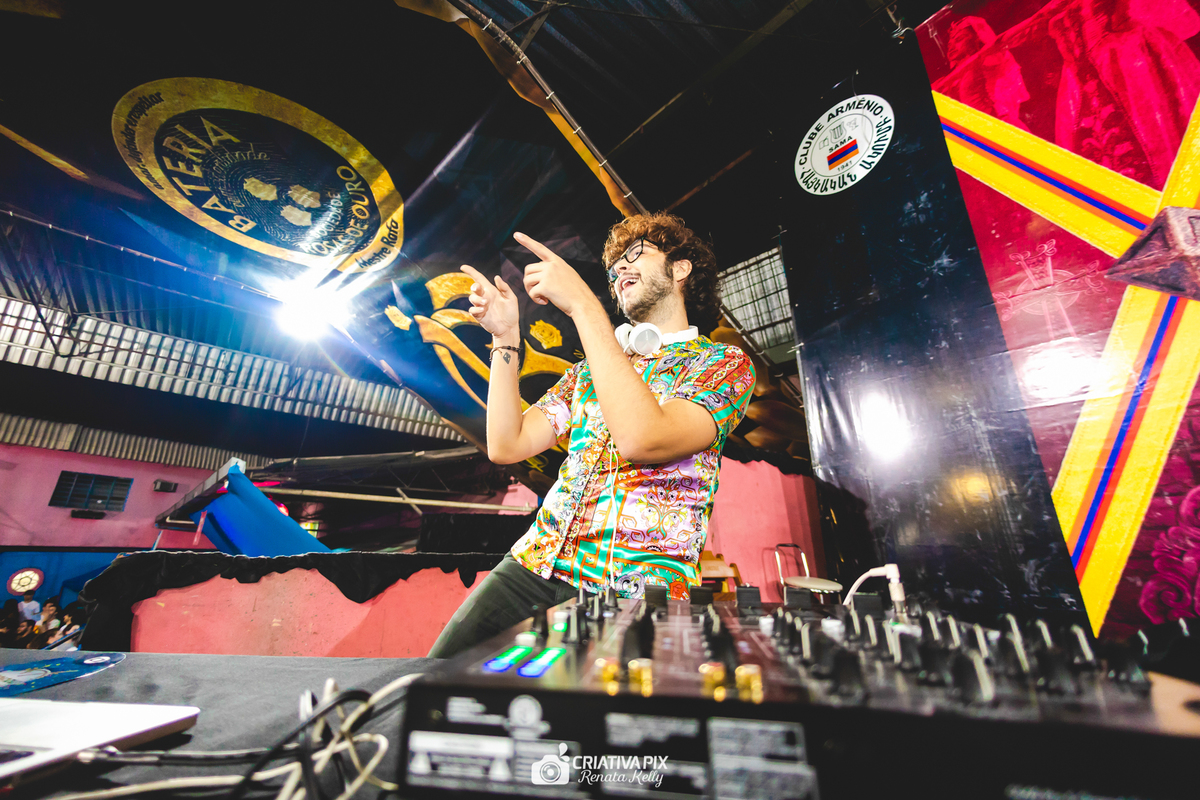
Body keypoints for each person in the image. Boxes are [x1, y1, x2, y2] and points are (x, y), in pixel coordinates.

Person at [429, 212, 754, 658]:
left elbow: (643, 439)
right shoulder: (589, 372)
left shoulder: (723, 364)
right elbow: (507, 444)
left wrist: (582, 304)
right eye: (614, 266)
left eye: (635, 254)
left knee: (583, 702)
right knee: (438, 676)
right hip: (537, 562)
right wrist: (506, 339)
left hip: (639, 587)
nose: (620, 268)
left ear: (680, 268)